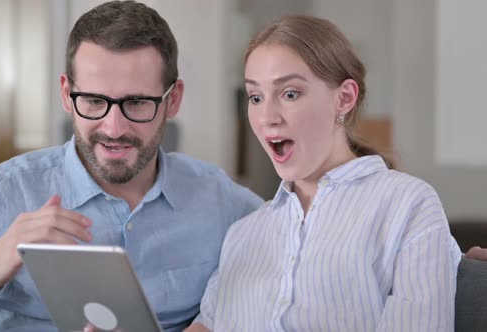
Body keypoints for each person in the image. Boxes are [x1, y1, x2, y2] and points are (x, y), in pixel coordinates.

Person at [0, 1, 263, 331]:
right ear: (66, 96)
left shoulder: (219, 201)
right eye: (93, 101)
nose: (114, 129)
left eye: (136, 103)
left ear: (174, 100)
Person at [186, 15, 461, 332]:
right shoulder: (242, 233)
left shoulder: (408, 205)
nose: (267, 117)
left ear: (344, 98)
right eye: (255, 97)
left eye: (290, 93)